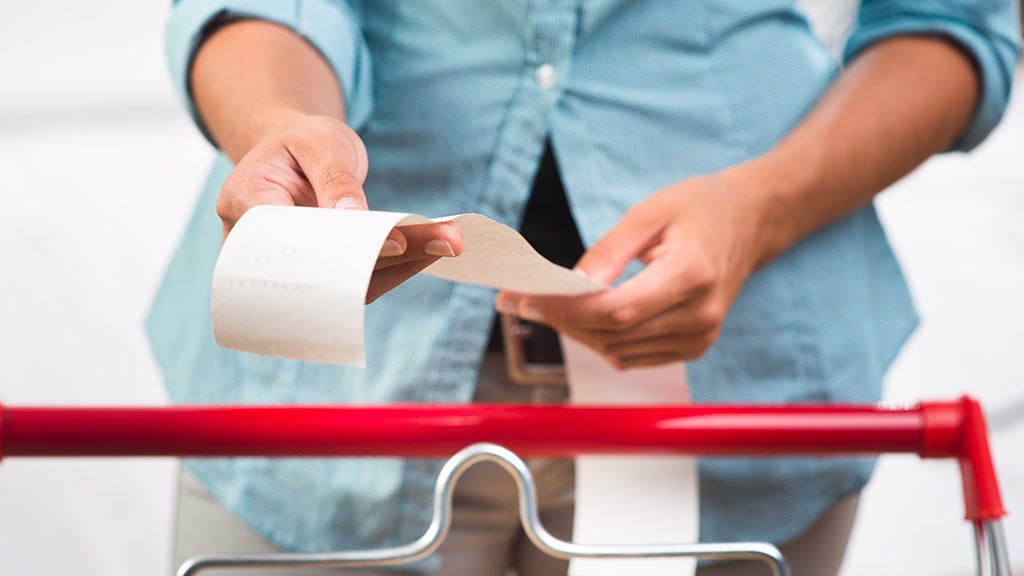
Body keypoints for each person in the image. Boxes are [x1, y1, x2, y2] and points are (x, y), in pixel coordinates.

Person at [149, 1, 1020, 575]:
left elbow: (948, 22)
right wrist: (280, 123)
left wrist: (762, 209)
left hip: (743, 377)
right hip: (335, 399)